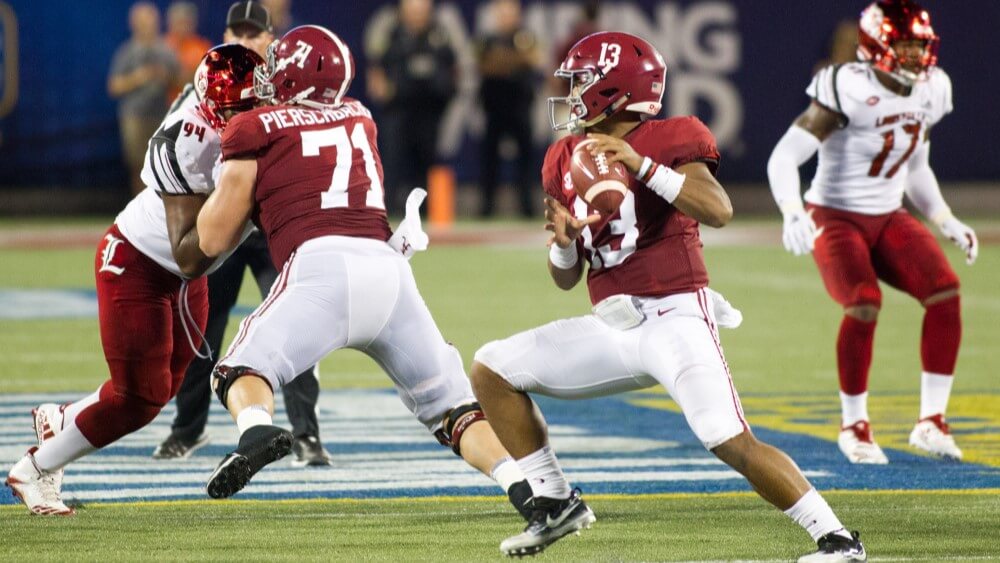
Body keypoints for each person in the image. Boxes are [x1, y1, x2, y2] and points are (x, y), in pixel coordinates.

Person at [469, 32, 868, 562]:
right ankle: (556, 500)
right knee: (492, 368)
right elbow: (567, 277)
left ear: (612, 89)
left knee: (726, 437)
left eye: (580, 82)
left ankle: (838, 539)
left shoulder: (672, 137)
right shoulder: (562, 157)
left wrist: (639, 164)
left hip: (674, 317)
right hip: (611, 327)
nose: (569, 93)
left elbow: (717, 209)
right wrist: (564, 246)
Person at [194, 26, 533, 519]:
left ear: (292, 77)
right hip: (389, 270)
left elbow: (211, 239)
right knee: (453, 408)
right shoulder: (361, 115)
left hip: (321, 268)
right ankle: (527, 486)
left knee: (238, 371)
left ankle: (254, 429)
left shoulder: (255, 128)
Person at [6, 45, 263, 516]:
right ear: (213, 109)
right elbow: (190, 255)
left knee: (166, 385)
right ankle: (34, 469)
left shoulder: (250, 114)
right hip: (138, 265)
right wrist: (253, 203)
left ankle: (61, 419)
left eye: (257, 102)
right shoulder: (187, 141)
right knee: (139, 399)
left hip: (186, 277)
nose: (253, 115)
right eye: (240, 108)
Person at [766, 0, 974, 465]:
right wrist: (792, 210)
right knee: (863, 302)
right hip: (835, 214)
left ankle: (930, 422)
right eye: (904, 45)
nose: (917, 56)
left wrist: (944, 218)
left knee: (945, 291)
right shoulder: (847, 87)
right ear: (877, 45)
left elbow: (916, 162)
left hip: (888, 214)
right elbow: (783, 156)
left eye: (920, 46)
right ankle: (854, 424)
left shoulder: (932, 88)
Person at [153, 0, 332, 468]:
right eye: (238, 31)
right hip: (223, 224)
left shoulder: (291, 84)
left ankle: (306, 434)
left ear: (271, 39)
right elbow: (175, 142)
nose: (245, 40)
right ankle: (186, 429)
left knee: (297, 330)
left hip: (274, 226)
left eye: (254, 33)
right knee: (203, 332)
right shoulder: (209, 79)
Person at [366, 0, 458, 213]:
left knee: (426, 164)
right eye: (412, 9)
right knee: (393, 162)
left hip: (429, 110)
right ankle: (385, 213)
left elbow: (454, 66)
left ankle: (425, 214)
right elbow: (375, 66)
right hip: (398, 110)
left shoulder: (441, 31)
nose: (417, 15)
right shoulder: (388, 29)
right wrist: (381, 87)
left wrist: (447, 91)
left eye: (421, 10)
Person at [475, 0, 540, 218]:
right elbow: (483, 65)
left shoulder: (526, 37)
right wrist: (513, 62)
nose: (506, 17)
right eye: (502, 13)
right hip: (494, 108)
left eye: (510, 12)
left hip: (520, 106)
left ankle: (527, 207)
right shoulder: (487, 39)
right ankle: (486, 206)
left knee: (526, 160)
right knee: (489, 160)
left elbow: (533, 60)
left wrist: (502, 61)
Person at [108, 1, 181, 196]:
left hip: (161, 115)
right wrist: (138, 78)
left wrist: (165, 76)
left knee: (162, 164)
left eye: (152, 20)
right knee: (138, 165)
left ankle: (159, 208)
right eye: (144, 21)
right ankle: (139, 208)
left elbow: (180, 81)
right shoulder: (127, 52)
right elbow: (114, 86)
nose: (149, 25)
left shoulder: (166, 50)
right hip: (134, 116)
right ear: (135, 24)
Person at [164, 1, 212, 100]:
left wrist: (170, 76)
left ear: (193, 23)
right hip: (163, 106)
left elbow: (202, 79)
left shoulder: (202, 47)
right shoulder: (162, 45)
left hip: (193, 103)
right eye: (178, 22)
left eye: (185, 22)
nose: (182, 27)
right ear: (170, 22)